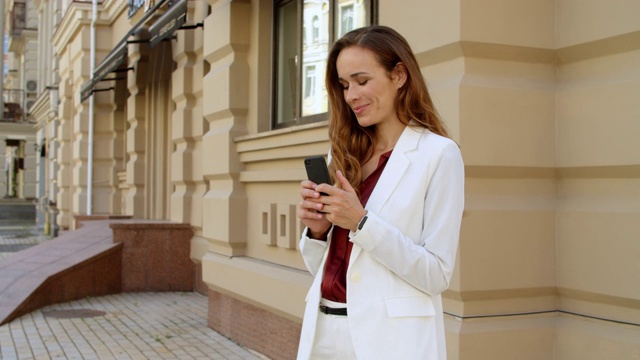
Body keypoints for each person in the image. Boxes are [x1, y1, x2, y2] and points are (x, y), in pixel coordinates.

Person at [296, 25, 465, 360]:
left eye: (362, 81)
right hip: (323, 331)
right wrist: (318, 232)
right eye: (344, 85)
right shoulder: (344, 155)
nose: (351, 95)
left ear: (399, 75)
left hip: (391, 341)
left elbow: (436, 274)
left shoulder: (439, 155)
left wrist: (361, 223)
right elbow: (326, 267)